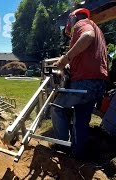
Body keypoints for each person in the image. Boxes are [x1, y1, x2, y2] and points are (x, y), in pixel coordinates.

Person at [52, 8, 108, 158]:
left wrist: (65, 59)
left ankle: (61, 147)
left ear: (72, 19)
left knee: (57, 107)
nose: (70, 34)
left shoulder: (82, 23)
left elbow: (87, 36)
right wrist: (73, 64)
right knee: (81, 119)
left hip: (85, 82)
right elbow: (89, 56)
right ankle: (78, 155)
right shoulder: (99, 31)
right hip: (98, 84)